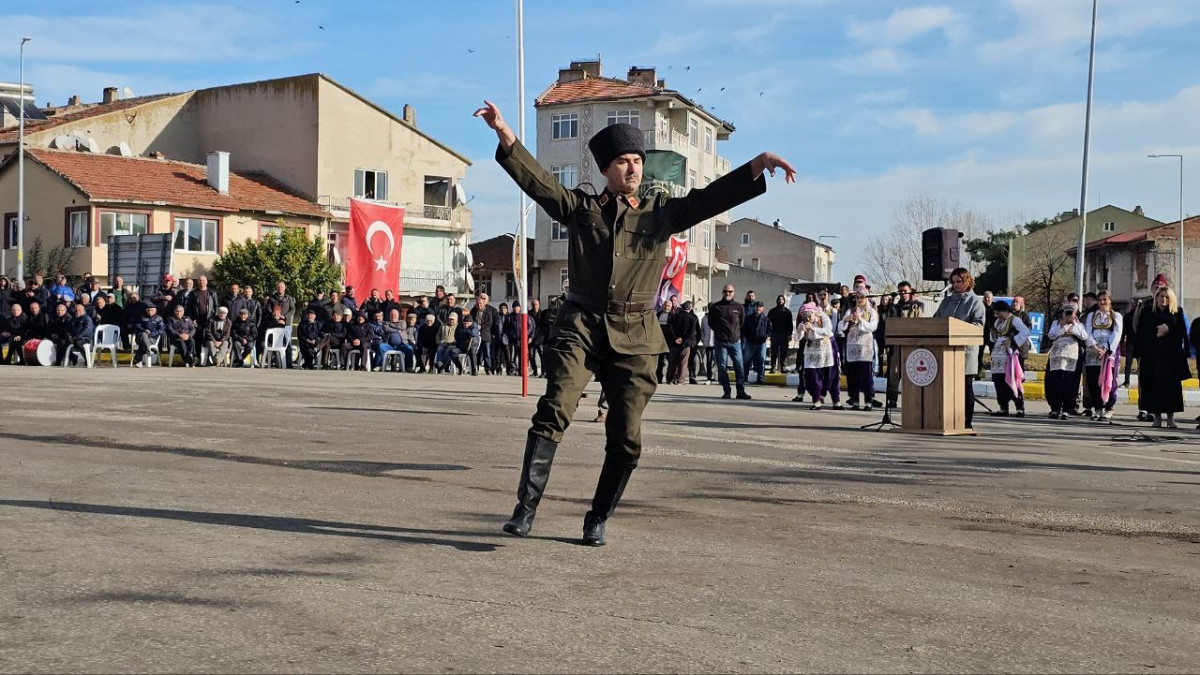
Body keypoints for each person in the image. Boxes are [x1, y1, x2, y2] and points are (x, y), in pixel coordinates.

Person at [477, 99, 792, 545]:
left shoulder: (660, 214)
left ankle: (597, 517)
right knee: (555, 411)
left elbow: (710, 199)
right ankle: (524, 510)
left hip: (637, 335)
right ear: (607, 168)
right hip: (581, 326)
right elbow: (541, 184)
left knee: (626, 438)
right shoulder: (580, 208)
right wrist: (503, 132)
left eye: (638, 161)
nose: (633, 168)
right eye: (624, 161)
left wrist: (757, 165)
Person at [932, 268, 985, 429]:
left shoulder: (975, 301)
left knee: (964, 387)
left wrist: (956, 327)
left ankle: (966, 422)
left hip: (965, 351)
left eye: (959, 281)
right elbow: (936, 321)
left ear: (967, 280)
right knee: (946, 388)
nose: (956, 285)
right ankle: (947, 420)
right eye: (953, 282)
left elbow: (978, 325)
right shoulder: (946, 301)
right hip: (945, 352)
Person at [1136, 287, 1189, 429]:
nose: (1163, 300)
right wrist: (1156, 335)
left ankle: (1171, 419)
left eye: (1166, 297)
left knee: (1171, 389)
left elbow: (1182, 333)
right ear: (1156, 297)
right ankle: (1157, 418)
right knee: (1153, 388)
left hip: (1170, 359)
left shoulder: (1176, 312)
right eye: (1161, 296)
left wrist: (1169, 330)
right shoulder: (1147, 312)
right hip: (1152, 357)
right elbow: (1141, 333)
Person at [1083, 290, 1123, 422]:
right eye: (1100, 300)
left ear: (1110, 301)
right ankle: (1097, 408)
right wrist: (1094, 347)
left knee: (1108, 380)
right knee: (1093, 380)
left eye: (1105, 299)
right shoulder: (1091, 316)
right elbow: (1087, 332)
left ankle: (1108, 407)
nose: (1102, 302)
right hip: (1093, 351)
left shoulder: (1116, 316)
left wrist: (1105, 348)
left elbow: (1116, 334)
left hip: (1108, 351)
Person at [1044, 304, 1088, 420]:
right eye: (1066, 312)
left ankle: (1067, 409)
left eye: (1071, 313)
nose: (1068, 315)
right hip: (1057, 355)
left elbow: (1084, 336)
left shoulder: (1079, 325)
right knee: (1055, 381)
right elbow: (1051, 335)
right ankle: (1055, 408)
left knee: (1071, 382)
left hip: (1072, 355)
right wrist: (1062, 325)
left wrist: (1074, 324)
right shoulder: (1056, 324)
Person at [987, 300, 1030, 417]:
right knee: (998, 380)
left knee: (1011, 379)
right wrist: (993, 333)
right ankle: (1003, 407)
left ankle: (1019, 407)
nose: (997, 316)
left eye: (998, 313)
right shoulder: (998, 321)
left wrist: (1012, 341)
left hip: (1009, 355)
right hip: (997, 355)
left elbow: (1025, 332)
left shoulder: (1014, 320)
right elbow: (994, 338)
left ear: (1004, 311)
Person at [839, 291, 879, 410]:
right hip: (852, 346)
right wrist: (846, 319)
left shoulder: (871, 312)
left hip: (865, 348)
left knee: (866, 376)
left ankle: (868, 401)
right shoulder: (850, 311)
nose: (859, 299)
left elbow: (873, 327)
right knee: (852, 376)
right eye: (857, 297)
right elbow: (840, 327)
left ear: (867, 298)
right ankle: (855, 400)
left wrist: (860, 319)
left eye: (862, 297)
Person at [710, 285, 750, 400]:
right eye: (726, 291)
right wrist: (720, 332)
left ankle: (740, 391)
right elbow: (711, 323)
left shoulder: (739, 307)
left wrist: (735, 333)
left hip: (735, 341)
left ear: (734, 292)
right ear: (722, 292)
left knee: (739, 366)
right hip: (720, 341)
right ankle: (726, 391)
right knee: (722, 367)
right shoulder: (716, 307)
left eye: (730, 291)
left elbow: (742, 322)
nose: (728, 293)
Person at [798, 302, 838, 410]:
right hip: (811, 350)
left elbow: (829, 331)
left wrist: (814, 328)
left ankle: (835, 400)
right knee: (811, 375)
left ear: (814, 313)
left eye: (809, 315)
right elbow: (798, 336)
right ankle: (816, 400)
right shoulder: (804, 323)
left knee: (829, 375)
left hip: (824, 348)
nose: (807, 317)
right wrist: (802, 329)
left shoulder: (823, 318)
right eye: (804, 315)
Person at [667, 300, 700, 385]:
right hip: (685, 344)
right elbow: (692, 332)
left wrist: (675, 338)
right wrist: (683, 340)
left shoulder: (674, 316)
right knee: (683, 363)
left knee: (672, 362)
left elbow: (670, 329)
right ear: (690, 308)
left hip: (674, 343)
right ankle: (680, 380)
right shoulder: (692, 318)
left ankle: (669, 379)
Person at [743, 301, 770, 384]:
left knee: (761, 360)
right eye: (756, 307)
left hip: (761, 342)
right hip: (750, 342)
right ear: (754, 308)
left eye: (760, 307)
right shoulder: (748, 318)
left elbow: (769, 330)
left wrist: (766, 336)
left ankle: (760, 377)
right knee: (746, 360)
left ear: (763, 308)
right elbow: (744, 329)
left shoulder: (766, 319)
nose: (758, 308)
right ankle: (744, 376)